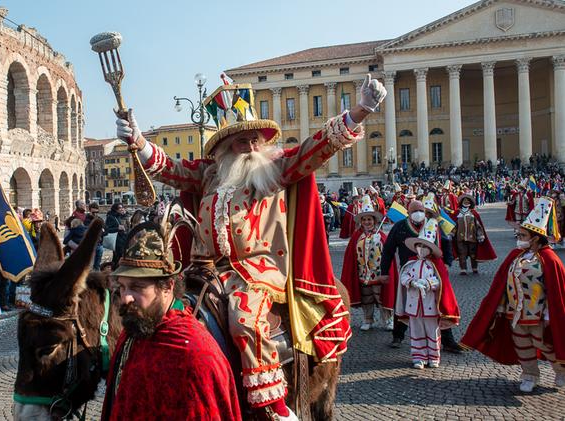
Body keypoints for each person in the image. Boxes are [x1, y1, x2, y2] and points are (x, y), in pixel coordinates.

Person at [116, 74, 386, 419]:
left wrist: (359, 112)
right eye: (242, 141)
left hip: (256, 270)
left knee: (244, 316)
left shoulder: (276, 169)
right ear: (225, 148)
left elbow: (315, 149)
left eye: (255, 139)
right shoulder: (209, 175)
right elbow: (170, 168)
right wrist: (138, 141)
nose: (251, 147)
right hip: (203, 268)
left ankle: (270, 404)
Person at [102, 222, 241, 421]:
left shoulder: (196, 356)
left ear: (168, 286)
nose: (126, 298)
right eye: (123, 287)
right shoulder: (134, 331)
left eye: (137, 287)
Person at [461, 196, 565, 392]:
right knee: (522, 344)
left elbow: (556, 290)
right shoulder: (515, 255)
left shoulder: (550, 259)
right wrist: (500, 305)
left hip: (538, 313)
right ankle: (530, 375)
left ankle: (560, 369)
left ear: (535, 237)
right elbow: (502, 283)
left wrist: (550, 313)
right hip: (514, 311)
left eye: (523, 235)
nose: (519, 237)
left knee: (542, 343)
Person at [396, 219, 460, 369]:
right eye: (419, 245)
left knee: (432, 331)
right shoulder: (411, 263)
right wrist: (412, 282)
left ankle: (433, 356)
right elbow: (403, 276)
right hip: (414, 305)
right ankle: (419, 357)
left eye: (425, 246)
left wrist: (428, 284)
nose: (421, 248)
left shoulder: (435, 265)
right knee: (416, 330)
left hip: (430, 304)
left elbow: (441, 282)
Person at [342, 196, 394, 332]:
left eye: (369, 219)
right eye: (364, 219)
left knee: (381, 296)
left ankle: (388, 319)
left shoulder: (381, 235)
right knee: (367, 297)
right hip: (363, 273)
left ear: (374, 221)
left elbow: (388, 254)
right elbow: (350, 256)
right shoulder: (356, 236)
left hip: (378, 273)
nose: (367, 222)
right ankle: (368, 319)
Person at [450, 194, 496, 275]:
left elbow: (478, 225)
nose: (466, 202)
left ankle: (474, 267)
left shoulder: (474, 213)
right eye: (464, 201)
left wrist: (480, 235)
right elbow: (454, 225)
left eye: (468, 201)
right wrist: (451, 233)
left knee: (473, 254)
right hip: (460, 237)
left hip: (472, 237)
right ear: (461, 202)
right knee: (462, 253)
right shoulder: (457, 213)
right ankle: (463, 269)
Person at [105, 203, 129, 270]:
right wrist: (117, 228)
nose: (122, 209)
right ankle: (117, 271)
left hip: (122, 240)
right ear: (115, 209)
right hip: (116, 241)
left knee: (117, 257)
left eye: (122, 207)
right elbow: (107, 230)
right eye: (120, 208)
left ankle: (114, 270)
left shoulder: (119, 216)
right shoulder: (110, 217)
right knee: (118, 257)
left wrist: (125, 214)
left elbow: (127, 222)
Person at [85, 202, 104, 270]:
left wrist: (102, 231)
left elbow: (106, 230)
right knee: (89, 265)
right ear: (89, 211)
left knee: (97, 264)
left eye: (97, 212)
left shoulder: (100, 219)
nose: (95, 214)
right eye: (93, 212)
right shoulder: (86, 219)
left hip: (99, 244)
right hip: (90, 245)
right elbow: (87, 231)